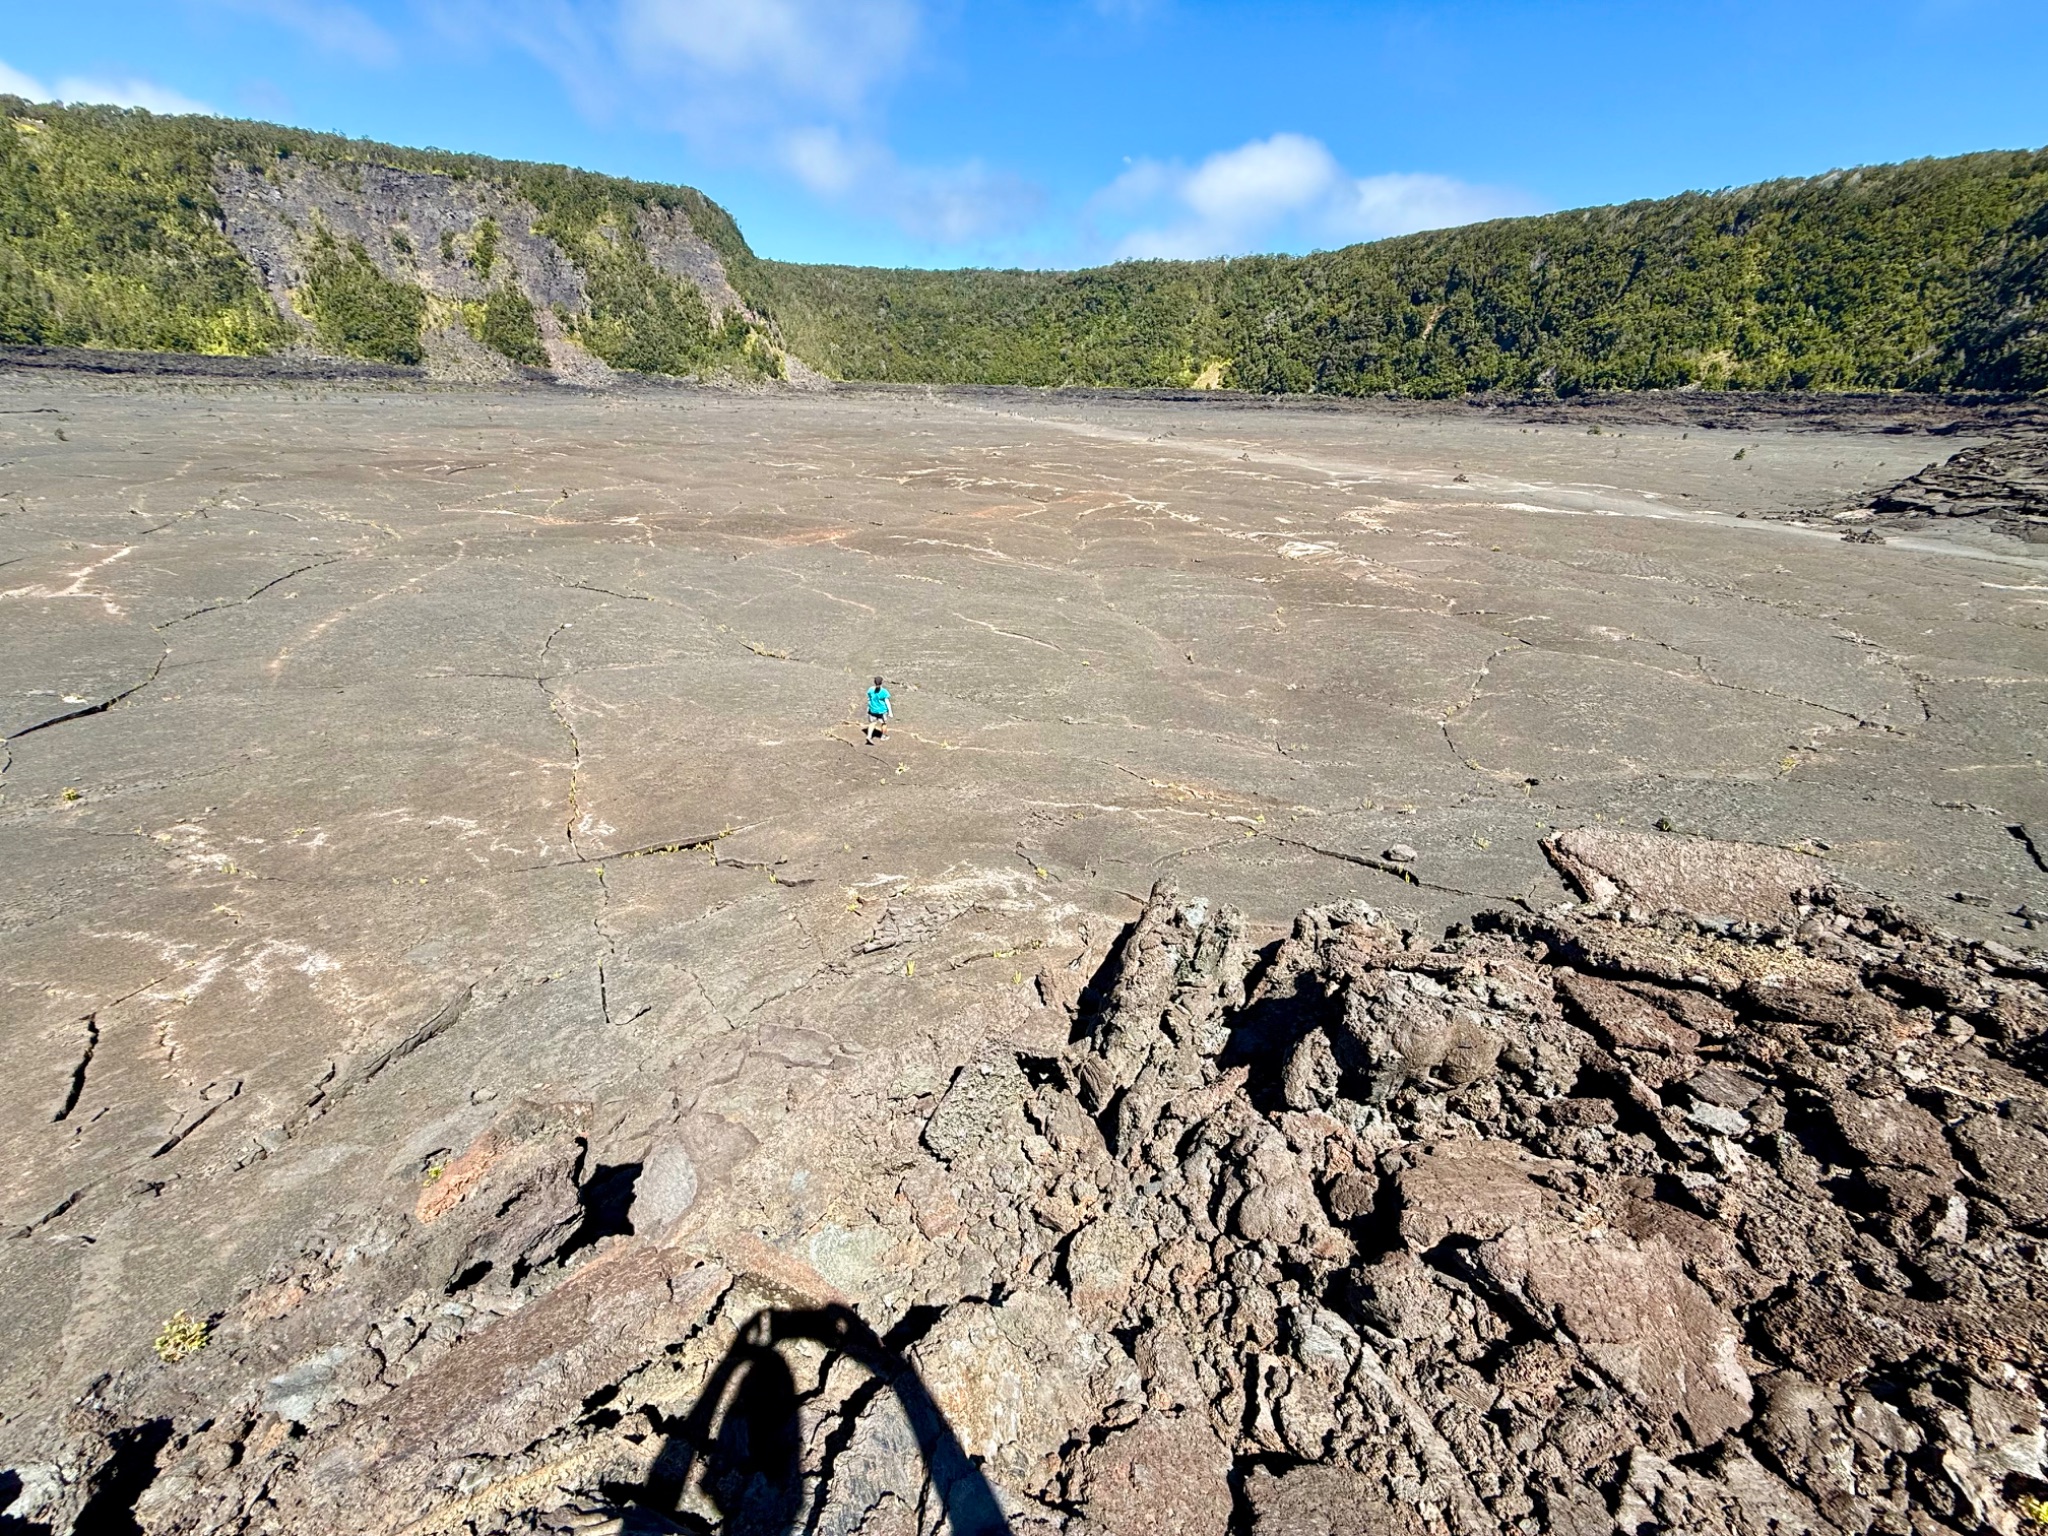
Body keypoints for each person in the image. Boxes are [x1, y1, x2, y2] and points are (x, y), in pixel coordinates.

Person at [864, 675, 892, 743]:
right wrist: (890, 712)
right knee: (883, 723)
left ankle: (869, 736)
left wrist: (868, 708)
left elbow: (869, 699)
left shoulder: (870, 689)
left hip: (872, 710)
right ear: (882, 682)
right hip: (882, 711)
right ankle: (883, 736)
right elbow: (887, 702)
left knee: (872, 723)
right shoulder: (884, 691)